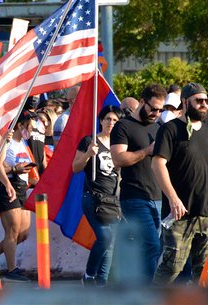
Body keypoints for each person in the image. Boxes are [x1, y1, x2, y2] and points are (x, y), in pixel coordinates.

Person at [152, 82, 208, 284]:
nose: (204, 104)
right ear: (185, 102)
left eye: (206, 101)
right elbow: (158, 164)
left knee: (205, 271)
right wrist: (173, 199)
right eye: (198, 101)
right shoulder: (170, 129)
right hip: (179, 212)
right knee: (172, 266)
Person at [110, 83, 166, 282]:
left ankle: (134, 285)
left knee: (152, 247)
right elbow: (118, 159)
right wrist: (147, 151)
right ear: (142, 102)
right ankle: (145, 291)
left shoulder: (159, 127)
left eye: (160, 110)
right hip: (134, 196)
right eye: (153, 108)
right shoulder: (123, 126)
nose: (156, 113)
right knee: (151, 245)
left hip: (158, 196)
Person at [74, 104, 121, 286]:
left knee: (111, 243)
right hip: (93, 197)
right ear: (101, 120)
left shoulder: (120, 144)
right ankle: (89, 275)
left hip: (113, 200)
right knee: (105, 237)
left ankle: (101, 283)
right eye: (108, 118)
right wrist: (88, 154)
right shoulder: (89, 141)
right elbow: (75, 168)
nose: (111, 122)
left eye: (115, 120)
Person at [0, 112, 35, 280]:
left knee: (23, 233)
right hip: (6, 186)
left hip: (22, 187)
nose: (31, 131)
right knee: (12, 230)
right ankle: (11, 270)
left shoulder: (22, 143)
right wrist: (15, 169)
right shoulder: (7, 142)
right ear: (20, 125)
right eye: (29, 128)